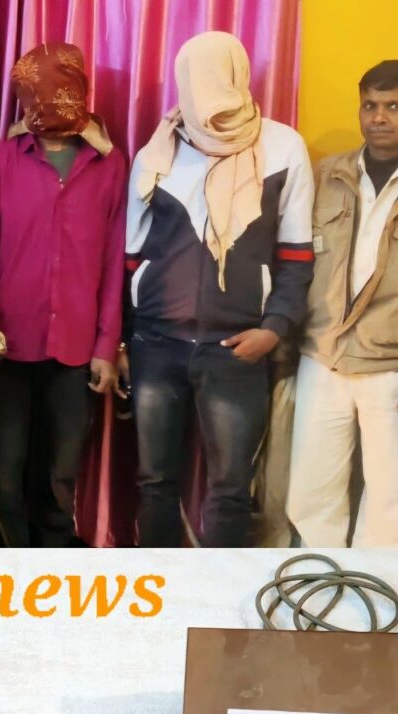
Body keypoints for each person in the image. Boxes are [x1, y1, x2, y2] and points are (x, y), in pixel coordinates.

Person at [124, 31, 315, 547]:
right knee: (154, 483)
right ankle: (161, 591)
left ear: (238, 76)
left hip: (237, 349)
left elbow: (297, 254)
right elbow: (131, 256)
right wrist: (126, 341)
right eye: (195, 77)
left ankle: (220, 594)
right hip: (156, 345)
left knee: (231, 491)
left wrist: (273, 330)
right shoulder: (158, 151)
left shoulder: (282, 147)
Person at [0, 42, 127, 546]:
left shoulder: (108, 165)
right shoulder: (3, 161)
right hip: (7, 347)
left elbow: (114, 261)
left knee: (60, 473)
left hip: (75, 349)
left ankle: (53, 564)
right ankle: (7, 563)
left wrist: (106, 347)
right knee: (5, 470)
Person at [287, 60, 398, 547]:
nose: (380, 117)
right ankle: (319, 582)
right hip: (324, 353)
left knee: (391, 500)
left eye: (393, 107)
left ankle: (380, 589)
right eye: (370, 106)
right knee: (311, 492)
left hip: (390, 362)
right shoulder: (328, 174)